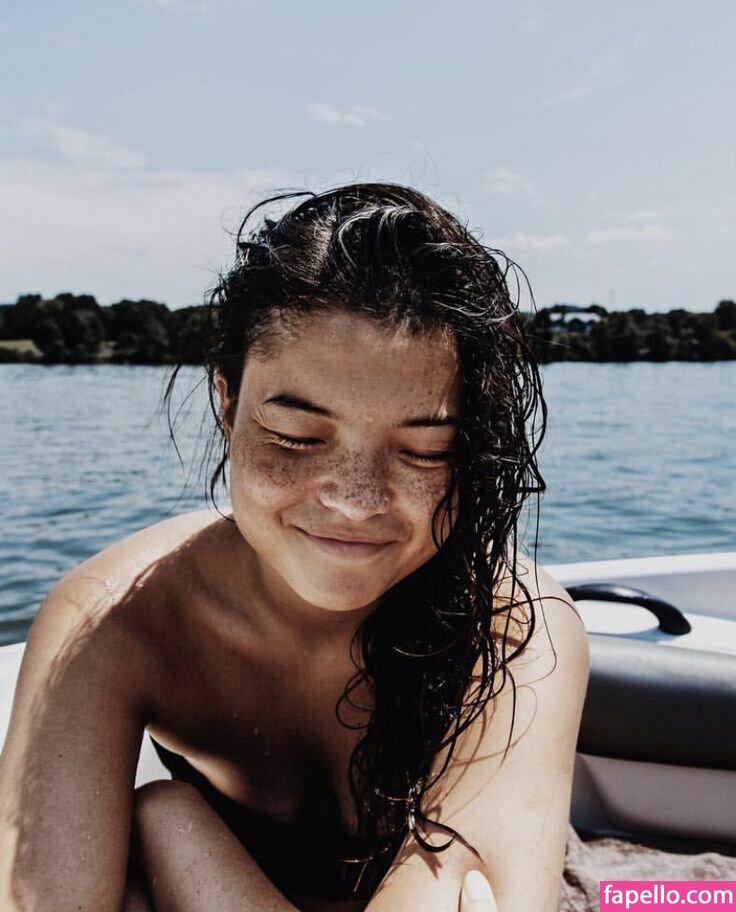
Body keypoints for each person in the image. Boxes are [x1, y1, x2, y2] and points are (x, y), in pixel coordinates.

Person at [0, 182, 589, 912]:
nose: (354, 499)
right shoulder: (115, 622)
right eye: (296, 437)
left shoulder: (515, 626)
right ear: (226, 406)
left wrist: (174, 834)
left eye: (425, 450)